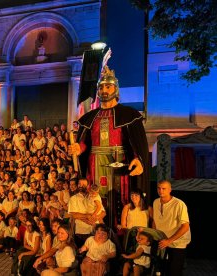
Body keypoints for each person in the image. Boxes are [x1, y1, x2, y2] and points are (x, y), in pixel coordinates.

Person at [70, 65, 149, 226]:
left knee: (120, 196)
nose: (104, 90)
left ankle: (121, 231)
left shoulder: (129, 114)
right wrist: (79, 148)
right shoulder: (89, 117)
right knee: (97, 195)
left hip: (120, 160)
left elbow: (135, 142)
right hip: (95, 162)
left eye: (108, 86)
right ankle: (99, 231)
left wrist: (138, 159)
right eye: (101, 87)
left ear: (116, 89)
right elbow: (86, 142)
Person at [152, 180, 191, 276]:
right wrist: (155, 236)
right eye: (159, 188)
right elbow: (155, 221)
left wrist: (169, 240)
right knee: (162, 271)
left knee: (174, 271)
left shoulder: (179, 204)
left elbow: (185, 227)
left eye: (164, 188)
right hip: (163, 242)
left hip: (177, 244)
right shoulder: (156, 202)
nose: (161, 191)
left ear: (170, 190)